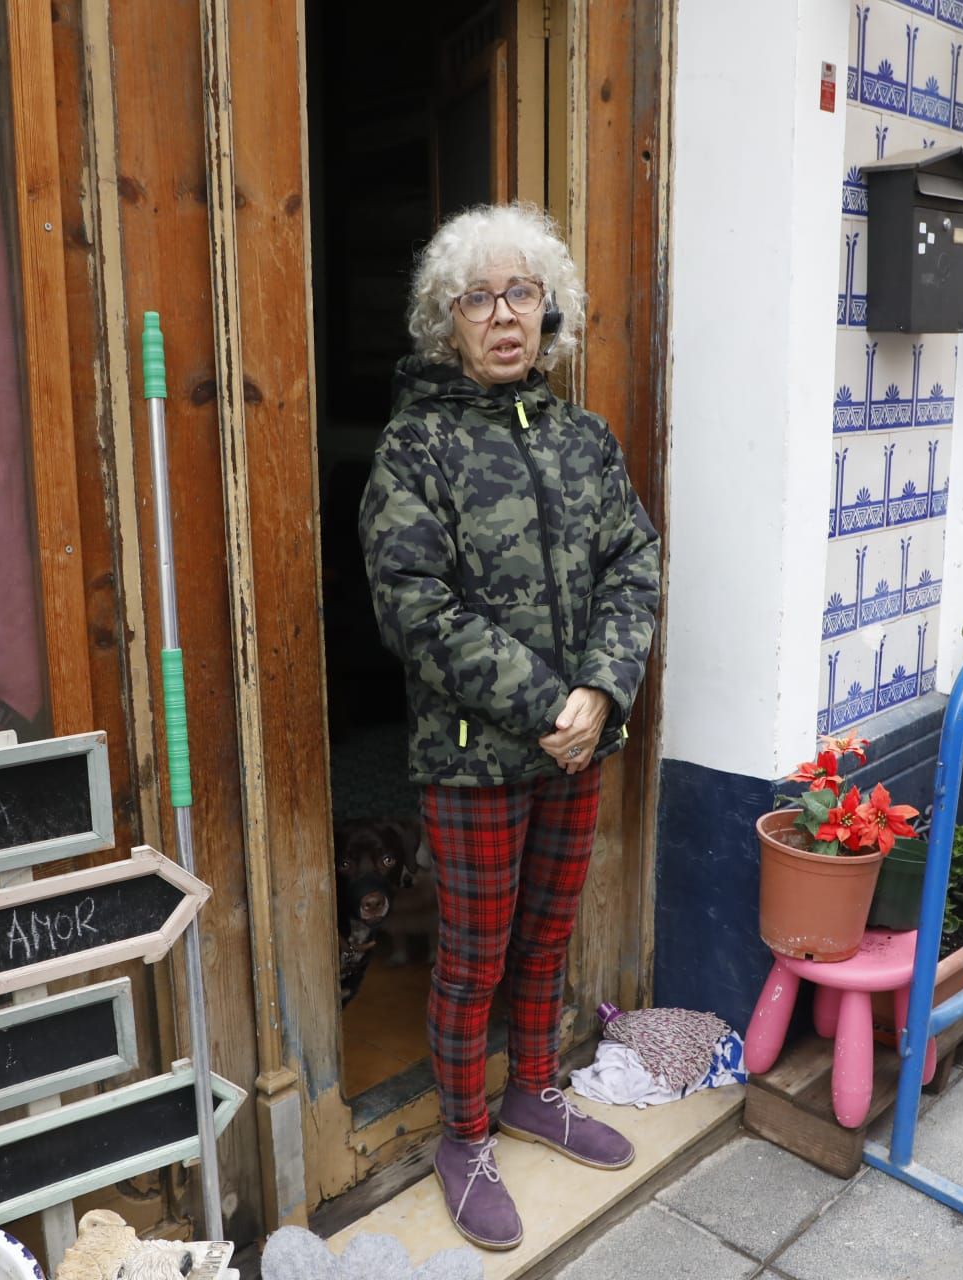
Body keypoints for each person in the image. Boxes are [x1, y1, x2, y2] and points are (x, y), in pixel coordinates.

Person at [358, 203, 661, 1251]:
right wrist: (550, 706)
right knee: (473, 955)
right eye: (477, 297)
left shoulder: (584, 439)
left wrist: (604, 691)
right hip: (472, 761)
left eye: (521, 293)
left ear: (549, 311)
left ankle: (537, 1086)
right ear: (447, 321)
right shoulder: (415, 448)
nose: (502, 316)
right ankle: (464, 1135)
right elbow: (414, 605)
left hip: (579, 743)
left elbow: (635, 561)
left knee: (548, 931)